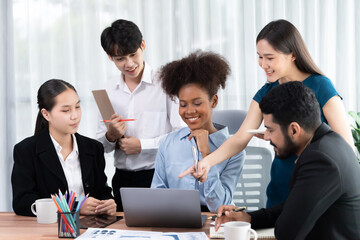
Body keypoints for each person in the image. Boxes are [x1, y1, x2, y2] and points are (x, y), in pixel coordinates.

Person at [180, 19, 354, 207]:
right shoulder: (266, 92)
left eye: (269, 58)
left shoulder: (321, 86)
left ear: (292, 55)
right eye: (259, 57)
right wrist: (207, 163)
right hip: (281, 188)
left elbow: (345, 146)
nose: (263, 64)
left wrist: (286, 136)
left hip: (318, 188)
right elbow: (240, 138)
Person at [214, 81, 360, 239]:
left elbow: (287, 232)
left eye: (270, 129)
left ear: (294, 129)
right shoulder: (329, 144)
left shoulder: (320, 159)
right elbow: (298, 205)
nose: (267, 137)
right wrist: (249, 218)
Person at [97, 19, 184, 211]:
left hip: (158, 176)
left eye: (133, 55)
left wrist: (143, 145)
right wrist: (110, 136)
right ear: (110, 57)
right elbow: (100, 147)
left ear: (142, 45)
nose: (129, 64)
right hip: (122, 179)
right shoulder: (108, 90)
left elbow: (182, 135)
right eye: (120, 59)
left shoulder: (166, 83)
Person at [150, 51, 245, 212]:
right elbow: (156, 197)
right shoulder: (169, 143)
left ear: (213, 101)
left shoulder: (233, 150)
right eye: (183, 104)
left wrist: (206, 153)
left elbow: (219, 205)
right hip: (174, 220)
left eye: (197, 103)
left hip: (214, 222)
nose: (189, 111)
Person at [11, 79, 116, 217]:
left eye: (77, 107)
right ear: (46, 114)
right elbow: (22, 203)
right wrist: (74, 207)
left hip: (91, 228)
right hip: (50, 229)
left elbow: (102, 192)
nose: (75, 116)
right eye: (66, 110)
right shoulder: (26, 150)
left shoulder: (93, 148)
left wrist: (108, 203)